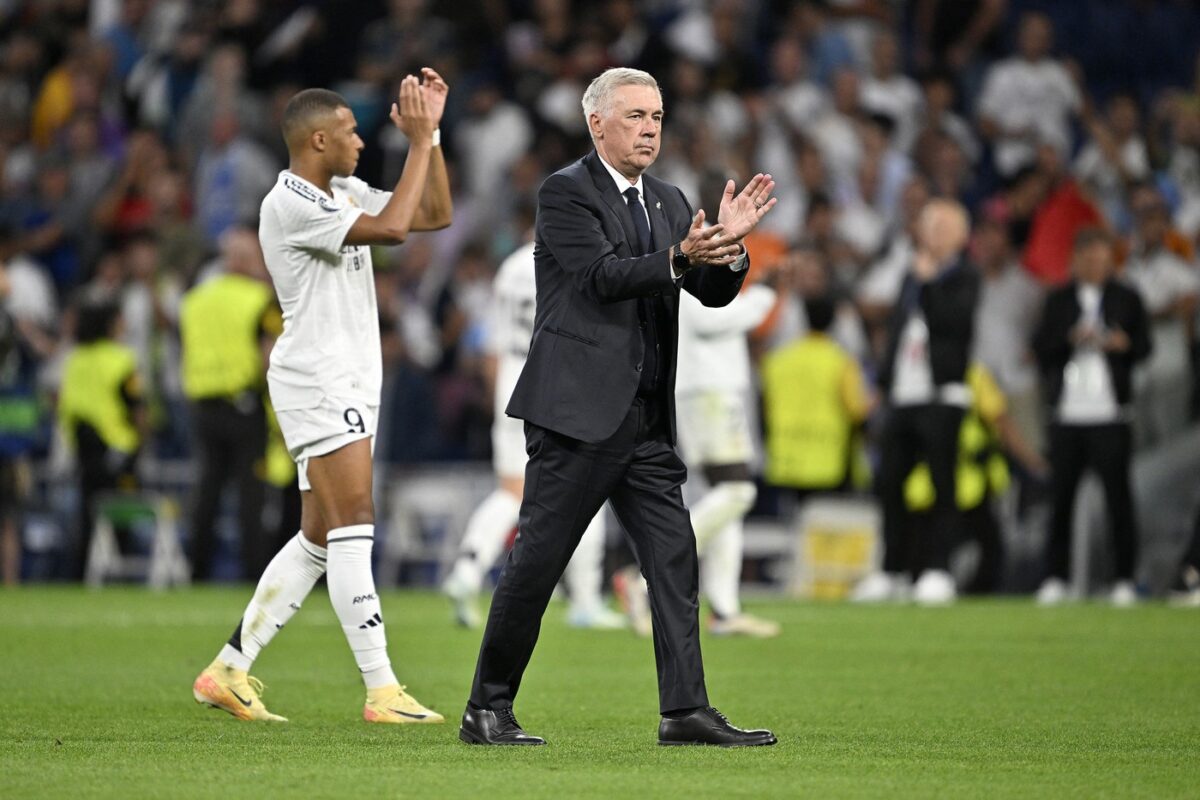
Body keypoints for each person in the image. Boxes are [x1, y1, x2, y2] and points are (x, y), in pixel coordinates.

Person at [459, 68, 778, 748]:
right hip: (576, 415)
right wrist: (681, 255)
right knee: (539, 563)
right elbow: (602, 277)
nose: (651, 127)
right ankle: (486, 706)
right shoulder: (566, 192)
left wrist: (730, 247)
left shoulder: (668, 198)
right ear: (596, 124)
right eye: (635, 115)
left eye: (658, 115)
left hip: (643, 420)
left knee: (672, 557)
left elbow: (711, 293)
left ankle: (684, 710)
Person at [192, 72, 453, 724]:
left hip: (344, 376)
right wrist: (416, 143)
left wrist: (434, 137)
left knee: (317, 535)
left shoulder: (342, 190)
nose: (362, 141)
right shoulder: (289, 204)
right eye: (349, 132)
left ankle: (229, 667)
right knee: (354, 521)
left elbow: (430, 215)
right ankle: (382, 687)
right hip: (320, 378)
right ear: (315, 140)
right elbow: (392, 233)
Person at [441, 239, 626, 631]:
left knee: (511, 490)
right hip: (558, 382)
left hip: (511, 381)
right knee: (586, 485)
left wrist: (497, 399)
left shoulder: (510, 266)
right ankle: (587, 600)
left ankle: (467, 569)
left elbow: (493, 342)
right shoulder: (577, 255)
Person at [853, 199, 980, 606]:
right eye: (929, 226)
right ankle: (892, 570)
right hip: (904, 393)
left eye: (941, 227)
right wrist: (884, 381)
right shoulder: (912, 275)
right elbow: (897, 329)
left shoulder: (965, 276)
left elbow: (953, 324)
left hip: (942, 393)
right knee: (890, 483)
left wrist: (927, 285)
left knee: (942, 484)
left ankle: (939, 570)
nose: (932, 234)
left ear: (959, 235)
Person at [1032, 228, 1151, 607]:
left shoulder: (1127, 298)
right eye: (1090, 260)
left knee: (1119, 501)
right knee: (1060, 500)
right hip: (1067, 414)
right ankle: (1056, 577)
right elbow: (1040, 347)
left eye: (1103, 260)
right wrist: (1069, 339)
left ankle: (1123, 579)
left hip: (1111, 413)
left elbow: (1145, 346)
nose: (1097, 266)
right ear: (1076, 260)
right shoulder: (1058, 300)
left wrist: (1122, 345)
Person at [179, 226, 282, 581]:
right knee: (250, 495)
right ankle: (254, 572)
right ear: (244, 259)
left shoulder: (195, 299)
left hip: (203, 406)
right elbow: (269, 355)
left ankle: (198, 571)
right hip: (244, 405)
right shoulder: (259, 298)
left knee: (207, 491)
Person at [57, 299, 145, 580]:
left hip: (85, 454)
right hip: (119, 452)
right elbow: (137, 408)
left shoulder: (74, 360)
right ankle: (122, 578)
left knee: (88, 519)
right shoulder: (121, 359)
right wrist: (141, 440)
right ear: (109, 323)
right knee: (122, 520)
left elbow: (65, 406)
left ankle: (83, 575)